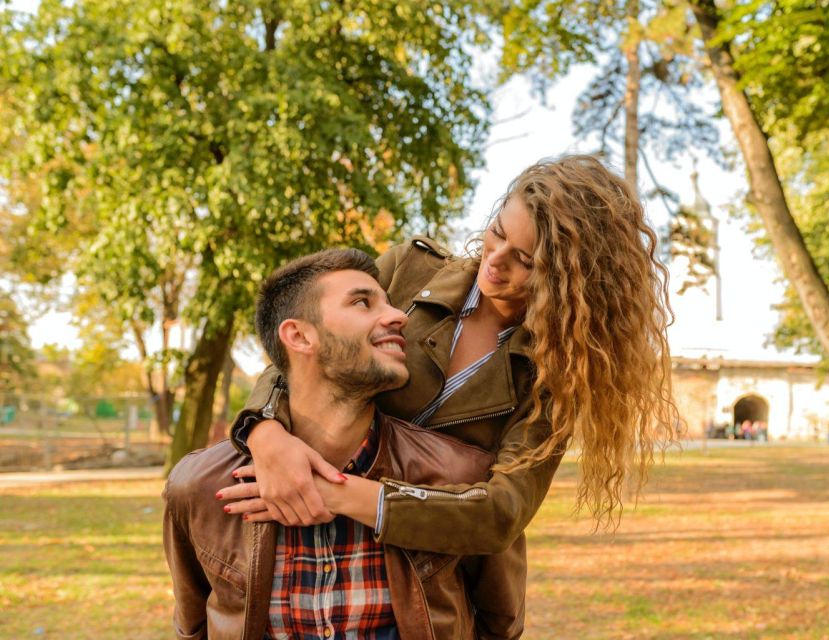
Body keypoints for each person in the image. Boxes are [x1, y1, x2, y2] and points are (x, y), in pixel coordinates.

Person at [219, 155, 681, 634]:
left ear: (572, 280)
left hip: (437, 584)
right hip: (311, 550)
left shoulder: (555, 378)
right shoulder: (406, 271)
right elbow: (301, 350)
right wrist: (265, 432)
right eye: (498, 233)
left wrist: (341, 493)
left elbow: (501, 512)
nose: (495, 262)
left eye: (526, 261)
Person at [163, 249, 501, 639]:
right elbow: (193, 627)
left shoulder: (457, 476)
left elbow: (499, 624)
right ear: (300, 336)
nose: (399, 316)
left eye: (389, 304)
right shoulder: (199, 487)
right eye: (362, 303)